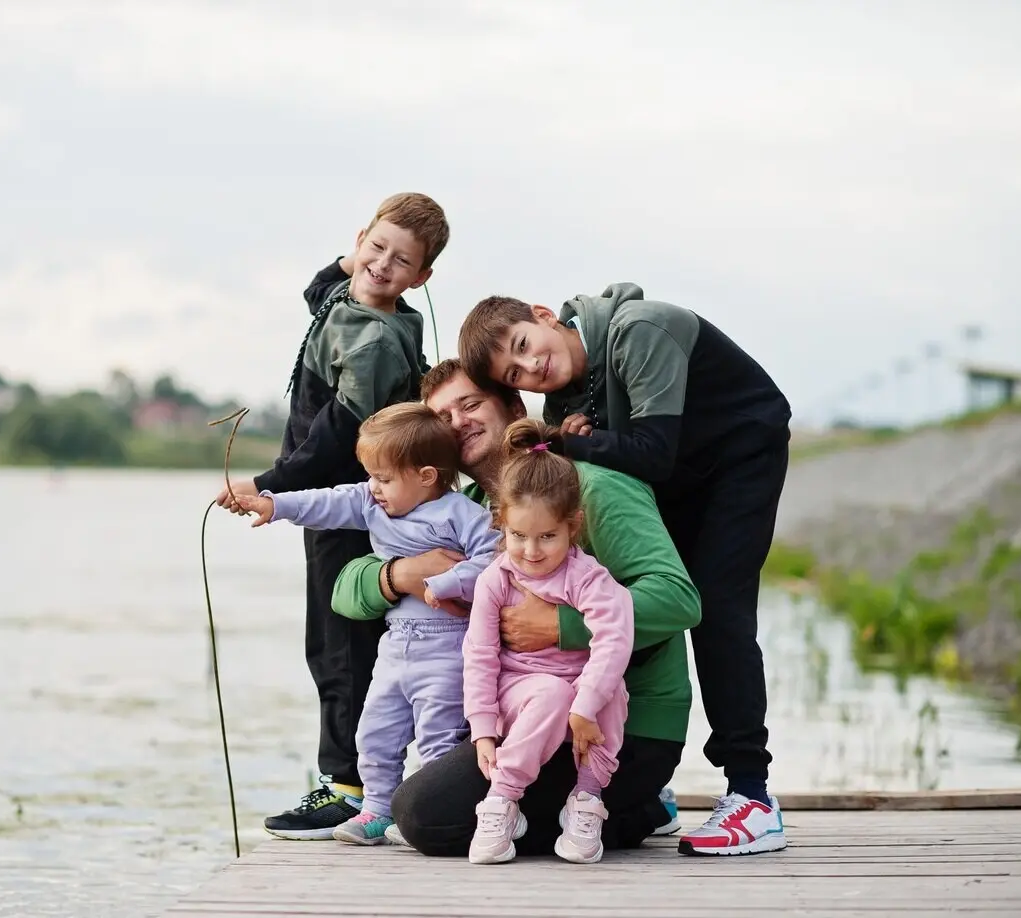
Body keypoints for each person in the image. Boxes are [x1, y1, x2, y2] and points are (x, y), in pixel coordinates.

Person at [458, 285, 792, 855]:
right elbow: (592, 462)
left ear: (543, 316)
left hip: (741, 454)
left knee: (714, 607)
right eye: (515, 374)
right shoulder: (566, 399)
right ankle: (648, 785)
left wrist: (575, 443)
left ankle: (752, 795)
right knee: (632, 581)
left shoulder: (639, 329)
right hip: (680, 477)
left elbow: (652, 452)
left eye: (523, 344)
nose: (531, 366)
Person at [331, 359, 701, 857]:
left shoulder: (591, 487)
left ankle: (626, 806)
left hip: (619, 719)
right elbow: (345, 594)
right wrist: (396, 575)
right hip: (519, 707)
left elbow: (679, 598)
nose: (457, 422)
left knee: (425, 816)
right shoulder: (466, 508)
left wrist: (559, 625)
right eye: (442, 416)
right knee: (419, 801)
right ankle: (591, 809)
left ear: (512, 406)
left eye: (470, 404)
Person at [215, 193, 449, 839]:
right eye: (375, 248)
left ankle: (348, 785)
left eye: (401, 261)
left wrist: (268, 486)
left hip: (351, 505)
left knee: (340, 647)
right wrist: (357, 259)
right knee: (337, 642)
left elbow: (336, 437)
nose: (381, 265)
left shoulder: (373, 341)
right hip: (339, 502)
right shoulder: (347, 298)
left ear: (421, 278)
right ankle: (364, 777)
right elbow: (322, 283)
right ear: (359, 241)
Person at [234, 402, 500, 845]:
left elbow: (493, 564)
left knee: (440, 736)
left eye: (384, 477)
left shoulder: (460, 514)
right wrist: (274, 504)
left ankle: (438, 812)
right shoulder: (371, 503)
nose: (373, 487)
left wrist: (447, 580)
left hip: (448, 648)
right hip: (395, 645)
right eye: (371, 475)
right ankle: (377, 809)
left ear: (427, 476)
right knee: (373, 730)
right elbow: (325, 501)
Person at [463, 418, 634, 865]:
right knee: (551, 692)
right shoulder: (494, 580)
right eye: (518, 536)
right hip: (521, 691)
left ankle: (586, 799)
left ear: (573, 526)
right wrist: (483, 730)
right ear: (501, 523)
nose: (532, 551)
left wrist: (586, 705)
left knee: (611, 689)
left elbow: (614, 639)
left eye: (547, 537)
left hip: (582, 695)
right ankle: (502, 798)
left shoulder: (588, 578)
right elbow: (479, 657)